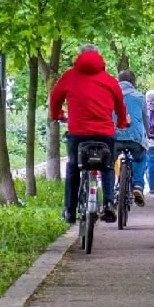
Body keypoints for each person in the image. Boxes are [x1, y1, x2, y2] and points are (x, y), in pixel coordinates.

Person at [49, 44, 129, 224]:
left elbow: (55, 98)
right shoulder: (109, 80)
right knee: (108, 165)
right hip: (104, 133)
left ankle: (69, 210)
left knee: (73, 167)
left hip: (78, 133)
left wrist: (57, 115)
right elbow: (120, 105)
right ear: (99, 57)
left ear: (80, 56)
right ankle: (108, 202)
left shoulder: (69, 77)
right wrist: (122, 122)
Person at [114, 69, 148, 207]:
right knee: (140, 158)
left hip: (114, 136)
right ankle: (138, 186)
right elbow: (145, 118)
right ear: (133, 82)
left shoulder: (111, 95)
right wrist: (149, 132)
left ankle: (109, 193)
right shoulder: (140, 96)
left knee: (109, 162)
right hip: (135, 138)